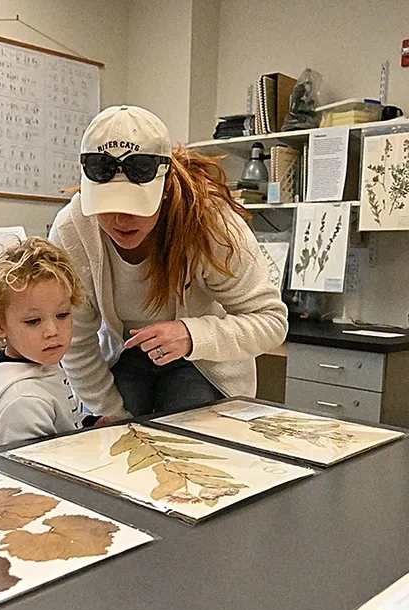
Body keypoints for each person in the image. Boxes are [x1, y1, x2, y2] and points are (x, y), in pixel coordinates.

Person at [49, 105, 288, 420]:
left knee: (187, 437)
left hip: (205, 363)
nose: (121, 219)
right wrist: (111, 415)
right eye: (107, 205)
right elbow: (76, 341)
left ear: (164, 188)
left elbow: (271, 322)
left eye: (136, 204)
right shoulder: (73, 230)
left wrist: (192, 335)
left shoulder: (212, 225)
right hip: (125, 357)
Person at [0, 237, 95, 451]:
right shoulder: (24, 401)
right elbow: (38, 470)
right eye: (33, 321)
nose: (53, 331)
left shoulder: (10, 362)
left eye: (62, 315)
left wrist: (91, 425)